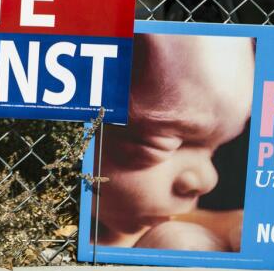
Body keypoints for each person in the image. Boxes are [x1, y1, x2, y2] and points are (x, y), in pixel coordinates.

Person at [92, 32, 255, 251]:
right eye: (158, 145)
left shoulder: (139, 218)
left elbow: (187, 219)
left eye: (213, 150)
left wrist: (235, 225)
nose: (207, 180)